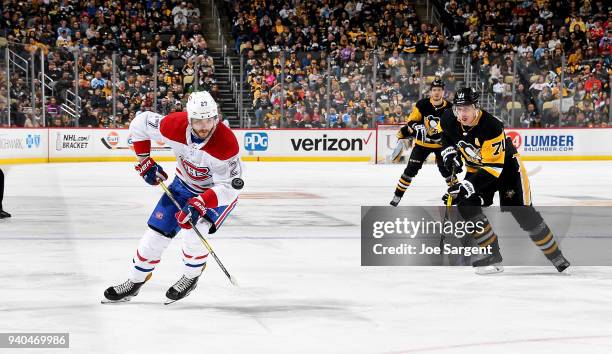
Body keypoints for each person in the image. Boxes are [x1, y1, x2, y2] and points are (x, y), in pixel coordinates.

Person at [103, 91, 243, 303]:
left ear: (216, 117)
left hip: (215, 193)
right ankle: (134, 281)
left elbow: (230, 188)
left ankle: (191, 277)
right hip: (182, 185)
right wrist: (144, 161)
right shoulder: (174, 125)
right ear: (189, 119)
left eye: (209, 120)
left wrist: (201, 202)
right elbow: (140, 123)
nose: (204, 126)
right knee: (154, 236)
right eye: (198, 121)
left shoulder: (226, 144)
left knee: (194, 233)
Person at [439, 87, 570, 274]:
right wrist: (449, 152)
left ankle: (557, 257)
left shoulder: (491, 126)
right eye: (459, 109)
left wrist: (466, 186)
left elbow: (493, 168)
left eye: (467, 108)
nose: (462, 113)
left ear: (476, 107)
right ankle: (493, 256)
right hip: (477, 169)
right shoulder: (449, 118)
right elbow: (445, 134)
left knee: (524, 214)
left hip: (506, 170)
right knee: (466, 205)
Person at [390, 79, 455, 206]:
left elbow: (454, 127)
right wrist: (416, 126)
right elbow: (411, 121)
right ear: (430, 92)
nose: (436, 93)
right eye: (434, 90)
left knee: (448, 171)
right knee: (410, 170)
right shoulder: (422, 104)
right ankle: (397, 196)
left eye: (439, 90)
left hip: (441, 145)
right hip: (422, 144)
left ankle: (457, 196)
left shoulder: (450, 107)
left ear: (443, 92)